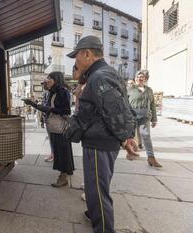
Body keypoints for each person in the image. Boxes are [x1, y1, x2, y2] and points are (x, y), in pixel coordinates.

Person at [63, 35, 138, 233]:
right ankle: (94, 213)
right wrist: (127, 136)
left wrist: (126, 138)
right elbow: (120, 106)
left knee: (96, 193)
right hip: (102, 141)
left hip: (99, 144)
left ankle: (104, 228)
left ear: (87, 53)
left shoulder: (99, 76)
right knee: (98, 188)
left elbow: (115, 110)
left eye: (76, 56)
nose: (75, 62)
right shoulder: (103, 73)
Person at [24, 72, 75, 187]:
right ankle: (67, 172)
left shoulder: (62, 91)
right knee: (62, 152)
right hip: (55, 127)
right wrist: (33, 104)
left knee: (62, 152)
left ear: (56, 79)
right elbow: (48, 108)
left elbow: (66, 111)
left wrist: (50, 110)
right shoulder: (54, 91)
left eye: (50, 78)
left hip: (60, 127)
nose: (47, 80)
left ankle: (63, 178)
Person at [127, 70, 162, 167]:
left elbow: (152, 105)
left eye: (142, 77)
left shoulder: (149, 90)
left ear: (145, 79)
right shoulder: (129, 89)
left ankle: (151, 157)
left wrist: (154, 119)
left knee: (146, 135)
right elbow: (124, 103)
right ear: (135, 79)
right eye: (137, 77)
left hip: (145, 117)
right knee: (131, 136)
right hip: (131, 117)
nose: (139, 79)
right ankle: (131, 152)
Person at [41, 80, 54, 162]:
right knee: (51, 138)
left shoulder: (51, 93)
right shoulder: (46, 92)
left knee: (53, 138)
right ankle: (53, 154)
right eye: (43, 84)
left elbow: (48, 106)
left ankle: (53, 155)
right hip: (47, 117)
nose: (44, 85)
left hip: (53, 119)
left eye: (45, 84)